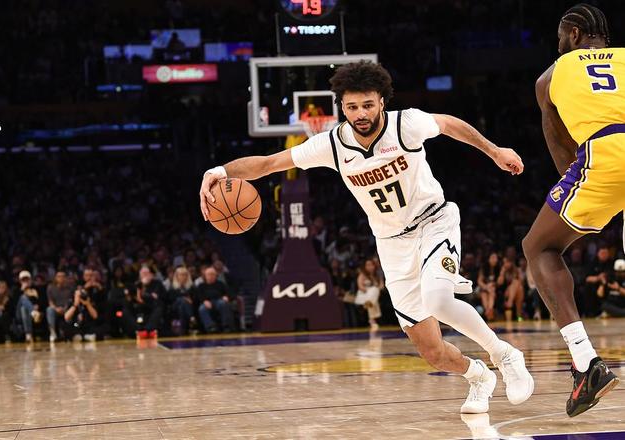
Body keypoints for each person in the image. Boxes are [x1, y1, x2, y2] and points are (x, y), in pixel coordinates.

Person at [200, 61, 533, 413]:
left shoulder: (406, 125)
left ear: (382, 102)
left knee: (437, 300)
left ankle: (505, 355)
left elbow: (449, 124)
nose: (361, 113)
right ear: (341, 108)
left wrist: (495, 151)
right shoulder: (332, 144)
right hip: (391, 244)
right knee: (433, 352)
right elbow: (269, 164)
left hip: (434, 221)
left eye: (368, 105)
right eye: (352, 106)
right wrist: (218, 171)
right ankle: (479, 376)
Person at [523, 3, 621, 416]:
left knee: (539, 248)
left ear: (575, 35)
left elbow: (563, 152)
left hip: (604, 153)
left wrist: (580, 190)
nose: (560, 43)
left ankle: (586, 365)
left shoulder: (550, 76)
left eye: (562, 36)